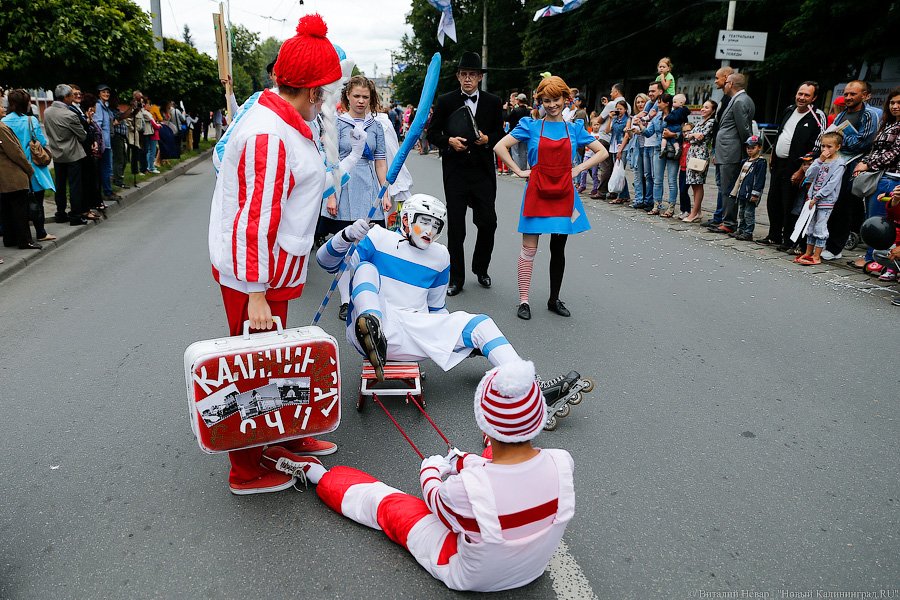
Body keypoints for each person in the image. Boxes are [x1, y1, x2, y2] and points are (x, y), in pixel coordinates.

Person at [263, 359, 575, 592]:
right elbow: (494, 477)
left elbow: (434, 497)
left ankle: (316, 474)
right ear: (536, 422)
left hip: (471, 575)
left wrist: (432, 466)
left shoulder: (466, 489)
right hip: (532, 569)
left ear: (486, 426)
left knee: (387, 504)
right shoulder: (562, 463)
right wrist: (464, 461)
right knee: (500, 472)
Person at [207, 13, 347, 495]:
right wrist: (256, 296)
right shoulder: (269, 133)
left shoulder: (284, 123)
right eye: (324, 91)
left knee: (279, 363)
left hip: (271, 272)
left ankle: (280, 440)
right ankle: (246, 468)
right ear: (310, 92)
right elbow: (254, 224)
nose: (326, 99)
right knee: (254, 373)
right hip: (256, 278)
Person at [493, 76, 607, 320]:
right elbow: (499, 147)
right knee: (529, 249)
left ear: (566, 99)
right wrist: (519, 170)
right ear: (540, 101)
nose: (552, 104)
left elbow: (602, 151)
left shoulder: (574, 128)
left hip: (564, 192)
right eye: (547, 100)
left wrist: (578, 169)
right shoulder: (531, 126)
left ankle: (554, 299)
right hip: (536, 191)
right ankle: (523, 300)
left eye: (556, 99)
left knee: (559, 248)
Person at [426, 51, 504, 296]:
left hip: (482, 172)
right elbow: (432, 133)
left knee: (488, 222)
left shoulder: (493, 101)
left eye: (473, 74)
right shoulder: (446, 100)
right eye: (464, 74)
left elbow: (501, 134)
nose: (468, 79)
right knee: (456, 228)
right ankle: (456, 278)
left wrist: (488, 139)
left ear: (480, 77)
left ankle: (481, 268)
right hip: (456, 172)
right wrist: (449, 141)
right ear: (458, 76)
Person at [317, 75, 390, 321]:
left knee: (368, 246)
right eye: (356, 96)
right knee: (344, 246)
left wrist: (385, 192)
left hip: (369, 186)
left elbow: (380, 162)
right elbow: (330, 161)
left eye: (365, 97)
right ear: (347, 95)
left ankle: (366, 295)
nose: (360, 101)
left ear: (371, 99)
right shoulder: (336, 124)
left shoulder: (376, 125)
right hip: (343, 186)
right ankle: (346, 301)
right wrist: (330, 196)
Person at [757, 81, 825, 248]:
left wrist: (803, 169)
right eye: (800, 94)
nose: (801, 98)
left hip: (797, 166)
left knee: (790, 203)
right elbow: (781, 133)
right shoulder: (788, 110)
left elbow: (819, 145)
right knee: (773, 199)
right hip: (778, 163)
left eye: (806, 95)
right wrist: (772, 155)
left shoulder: (817, 115)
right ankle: (774, 234)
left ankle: (789, 239)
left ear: (814, 97)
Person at [821, 80, 880, 260]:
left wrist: (838, 142)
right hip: (837, 164)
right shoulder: (841, 115)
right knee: (832, 202)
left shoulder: (871, 115)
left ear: (865, 95)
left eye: (853, 94)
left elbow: (861, 143)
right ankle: (827, 241)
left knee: (844, 204)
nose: (848, 97)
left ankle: (836, 247)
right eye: (846, 94)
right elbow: (828, 138)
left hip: (856, 165)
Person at [847, 88, 900, 275]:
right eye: (892, 103)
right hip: (880, 176)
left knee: (880, 222)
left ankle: (875, 259)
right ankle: (875, 258)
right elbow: (876, 150)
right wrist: (865, 161)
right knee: (872, 218)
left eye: (899, 103)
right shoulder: (889, 124)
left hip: (891, 178)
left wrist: (868, 165)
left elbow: (894, 153)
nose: (895, 106)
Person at [2, 89, 57, 242]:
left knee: (15, 206)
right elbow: (42, 141)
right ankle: (41, 232)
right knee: (37, 202)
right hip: (33, 167)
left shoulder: (3, 122)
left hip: (13, 168)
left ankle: (16, 235)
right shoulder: (30, 120)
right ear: (26, 104)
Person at [709, 72, 755, 234]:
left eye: (727, 82)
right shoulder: (737, 100)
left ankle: (729, 222)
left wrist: (748, 149)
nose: (724, 85)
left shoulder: (740, 101)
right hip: (726, 150)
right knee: (725, 187)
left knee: (728, 187)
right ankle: (725, 219)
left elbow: (744, 129)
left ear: (732, 84)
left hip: (732, 151)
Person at [795, 132, 845, 265]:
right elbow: (809, 175)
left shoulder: (839, 164)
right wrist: (819, 160)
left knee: (820, 227)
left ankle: (817, 256)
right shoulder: (820, 160)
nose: (825, 150)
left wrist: (817, 197)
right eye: (823, 146)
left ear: (838, 147)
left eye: (829, 146)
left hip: (825, 201)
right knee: (810, 227)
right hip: (812, 199)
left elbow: (831, 185)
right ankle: (808, 252)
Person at [43, 84, 89, 226]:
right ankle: (75, 215)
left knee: (60, 185)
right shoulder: (70, 114)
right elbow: (82, 135)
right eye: (71, 96)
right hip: (72, 154)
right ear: (66, 97)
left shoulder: (47, 112)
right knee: (75, 185)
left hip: (57, 153)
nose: (73, 99)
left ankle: (60, 213)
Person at [0, 100, 39, 250]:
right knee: (20, 210)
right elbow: (15, 152)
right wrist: (29, 168)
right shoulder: (1, 127)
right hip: (13, 174)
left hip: (4, 176)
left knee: (7, 209)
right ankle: (25, 240)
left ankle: (10, 239)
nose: (3, 108)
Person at [704, 66, 734, 228]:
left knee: (725, 185)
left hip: (726, 149)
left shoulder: (732, 100)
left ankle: (723, 217)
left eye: (718, 77)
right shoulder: (724, 98)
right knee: (720, 184)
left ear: (727, 78)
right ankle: (718, 216)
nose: (715, 80)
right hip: (718, 146)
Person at [645, 93, 680, 217]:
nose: (657, 104)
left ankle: (671, 207)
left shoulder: (676, 115)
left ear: (666, 103)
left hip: (672, 150)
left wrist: (673, 135)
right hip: (658, 149)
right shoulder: (657, 117)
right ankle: (656, 205)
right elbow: (649, 133)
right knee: (657, 180)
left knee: (671, 180)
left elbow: (683, 132)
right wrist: (639, 127)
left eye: (659, 102)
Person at [682, 99, 717, 222]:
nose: (703, 109)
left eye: (707, 107)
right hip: (692, 154)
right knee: (693, 183)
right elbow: (687, 136)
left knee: (698, 184)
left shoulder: (711, 122)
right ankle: (698, 211)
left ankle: (694, 213)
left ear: (713, 111)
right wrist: (693, 135)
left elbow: (700, 137)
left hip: (700, 155)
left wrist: (692, 135)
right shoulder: (700, 122)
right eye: (703, 106)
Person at [731, 136, 768, 241]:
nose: (750, 149)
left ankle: (748, 232)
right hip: (742, 192)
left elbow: (760, 179)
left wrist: (755, 193)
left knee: (749, 213)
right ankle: (740, 230)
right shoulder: (745, 161)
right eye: (748, 147)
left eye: (753, 147)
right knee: (741, 212)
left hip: (751, 193)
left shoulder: (760, 162)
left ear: (759, 147)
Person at [93, 84, 117, 202]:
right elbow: (98, 125)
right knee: (105, 168)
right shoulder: (98, 106)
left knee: (107, 167)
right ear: (98, 93)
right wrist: (100, 142)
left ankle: (108, 190)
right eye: (103, 92)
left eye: (107, 92)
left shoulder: (106, 107)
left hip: (107, 142)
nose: (106, 94)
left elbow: (113, 120)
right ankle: (107, 192)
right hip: (103, 143)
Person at [629, 93, 653, 209]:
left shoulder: (652, 115)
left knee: (648, 175)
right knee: (638, 174)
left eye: (642, 102)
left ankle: (649, 200)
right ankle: (639, 199)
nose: (640, 104)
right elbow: (628, 133)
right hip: (638, 146)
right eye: (638, 102)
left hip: (648, 146)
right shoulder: (635, 116)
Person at [506, 93, 531, 170]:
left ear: (518, 101)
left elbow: (508, 118)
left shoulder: (515, 110)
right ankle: (523, 168)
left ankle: (517, 169)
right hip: (525, 132)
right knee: (523, 151)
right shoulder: (527, 110)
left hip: (515, 132)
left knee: (515, 151)